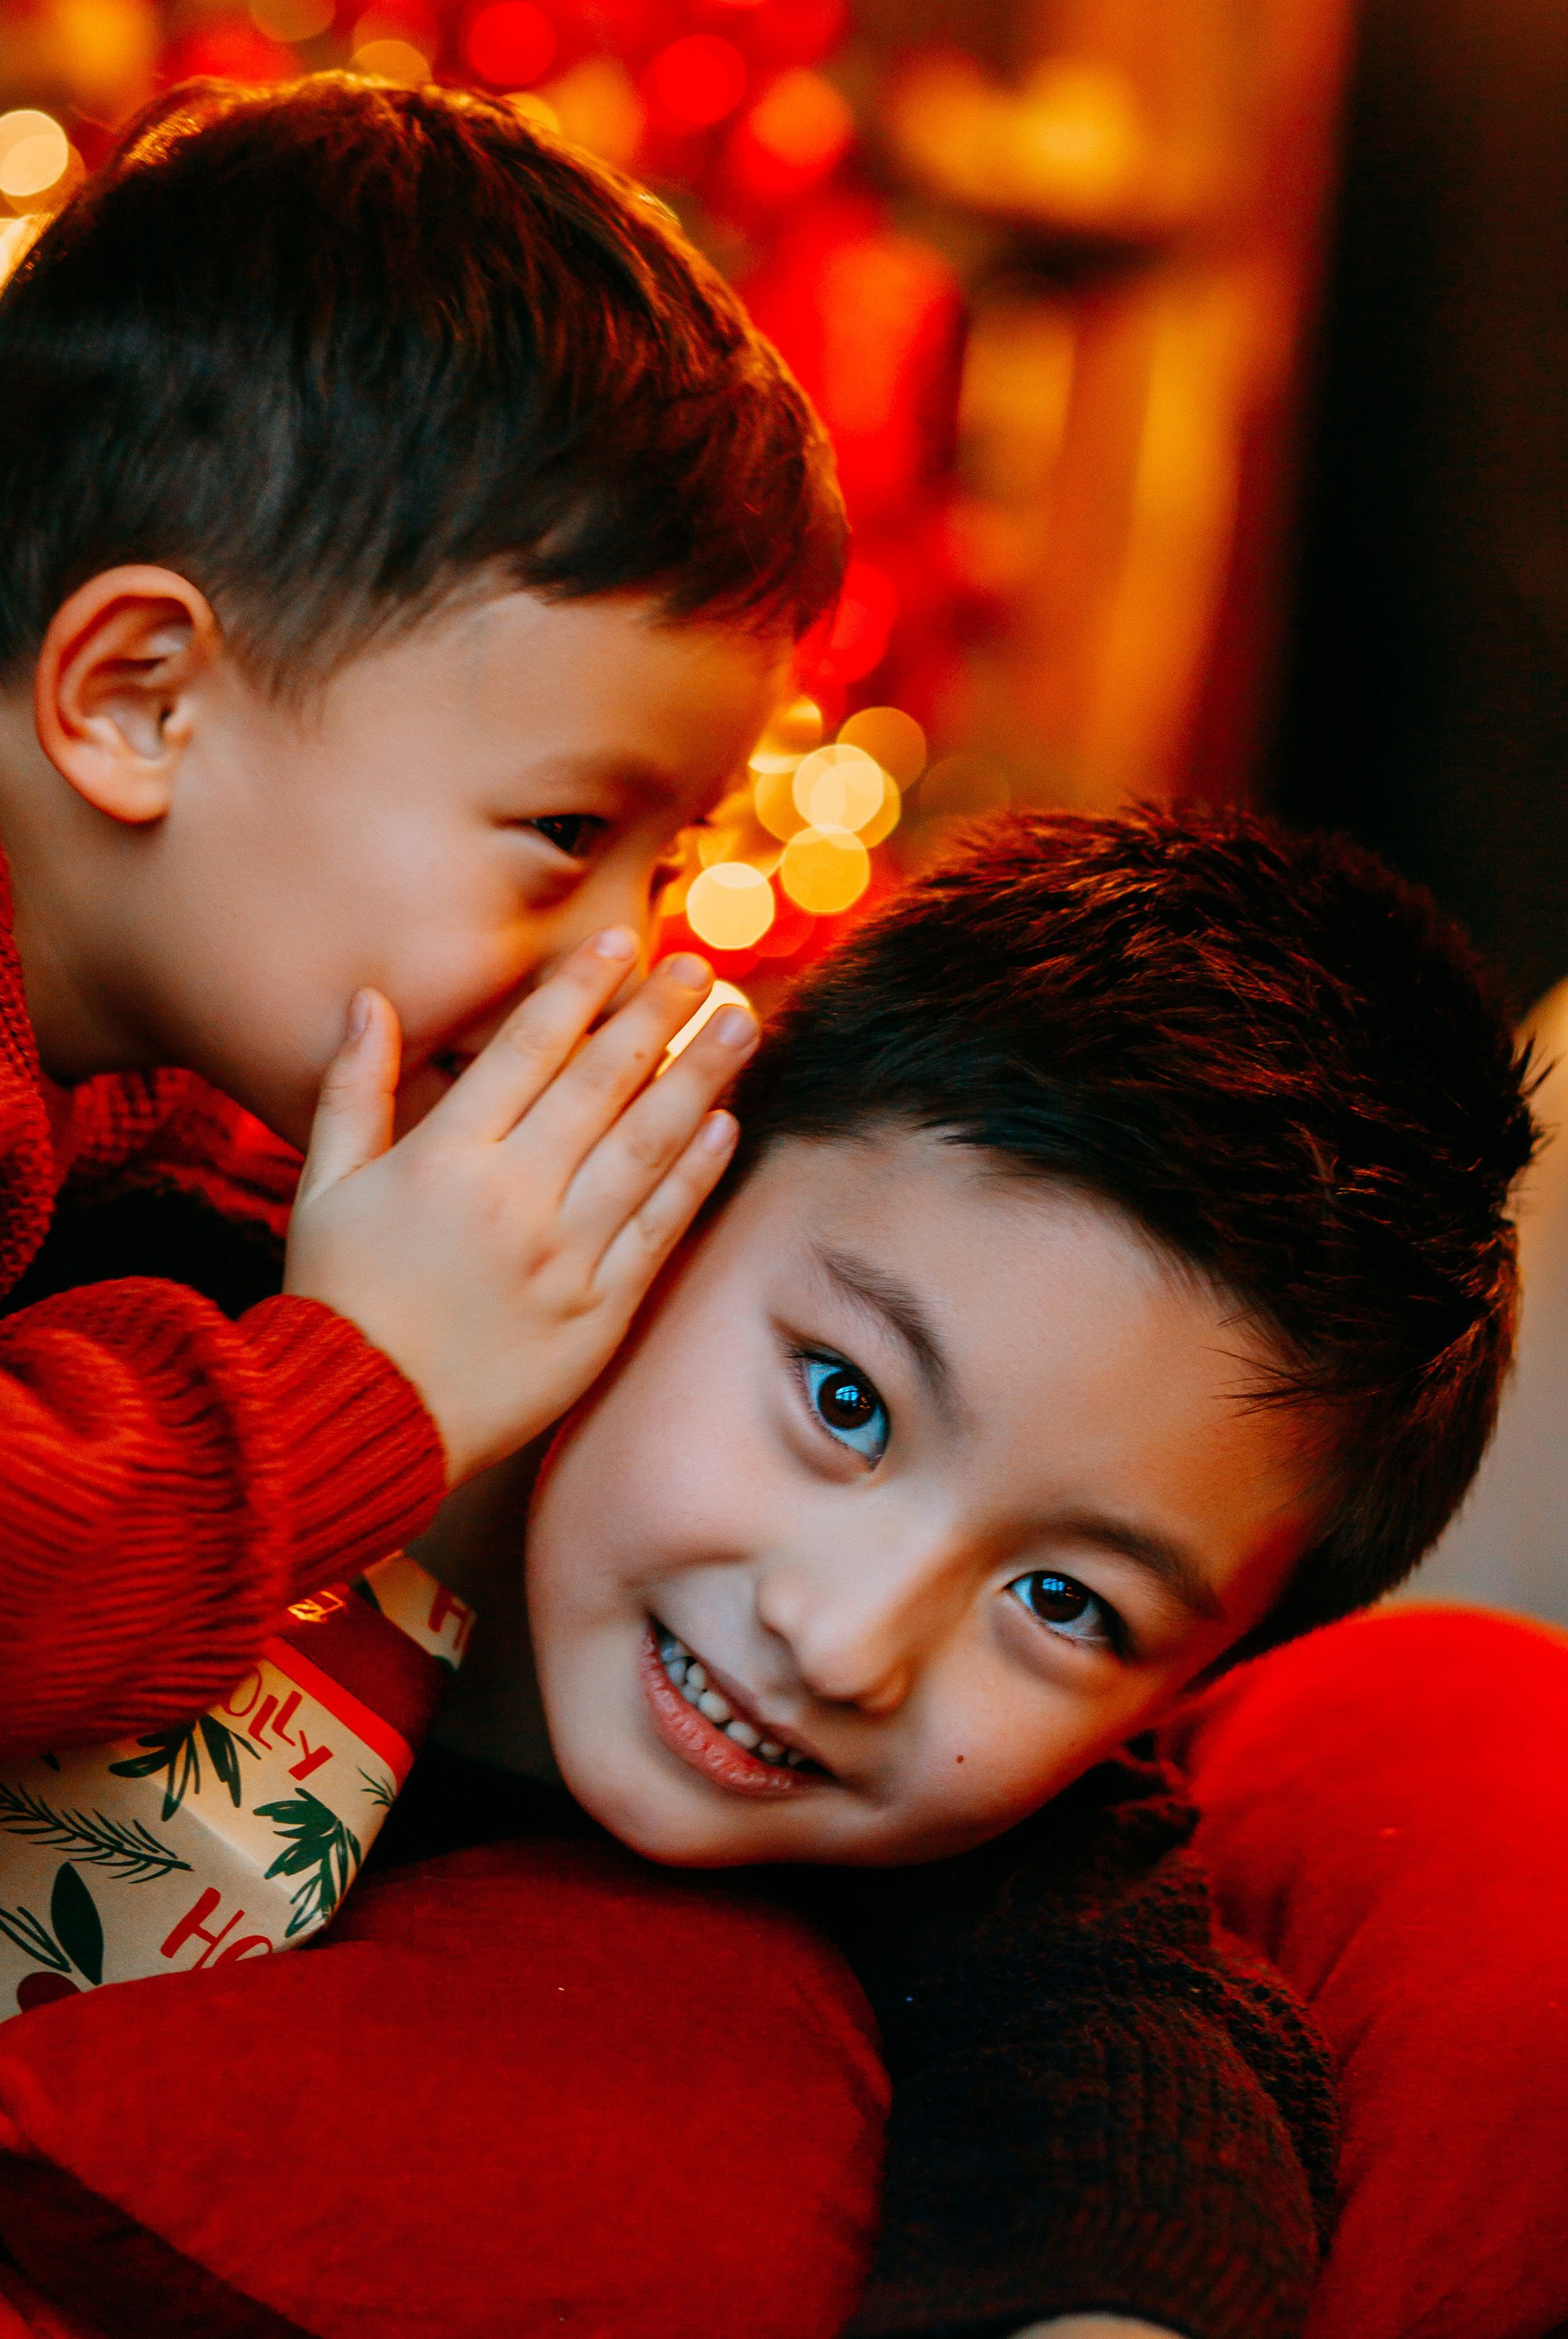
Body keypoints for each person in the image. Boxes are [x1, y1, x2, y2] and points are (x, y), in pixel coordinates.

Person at [389, 803, 1536, 2338]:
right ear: (676, 1175)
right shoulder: (225, 1345)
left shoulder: (1026, 1876)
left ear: (1185, 1685)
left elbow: (1139, 2101)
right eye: (845, 1401)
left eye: (1065, 1606)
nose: (847, 1643)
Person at [0, 70, 846, 1807]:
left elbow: (192, 1153)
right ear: (141, 700)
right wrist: (369, 1379)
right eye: (562, 836)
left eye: (663, 861)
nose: (614, 952)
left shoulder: (70, 957)